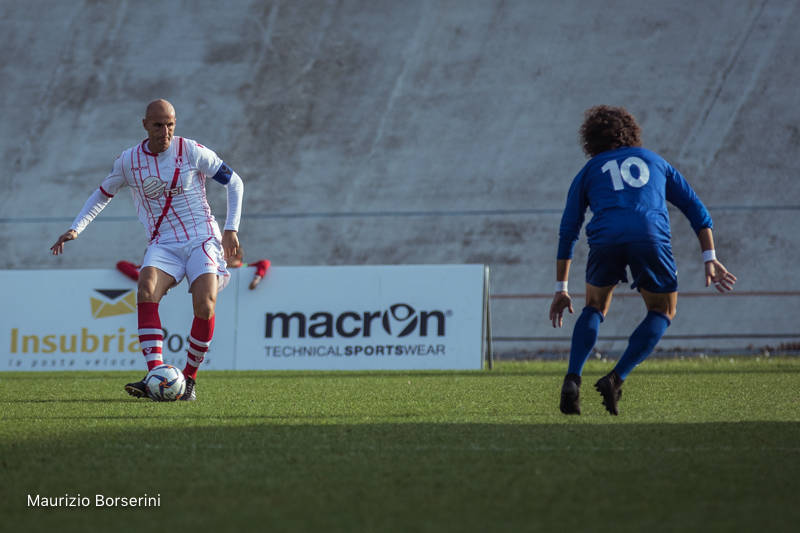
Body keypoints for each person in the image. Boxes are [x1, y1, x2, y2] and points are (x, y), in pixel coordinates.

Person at [50, 99, 244, 401]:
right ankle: (155, 374)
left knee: (205, 305)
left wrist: (231, 228)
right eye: (158, 125)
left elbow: (234, 182)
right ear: (145, 125)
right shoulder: (128, 161)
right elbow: (102, 194)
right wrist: (77, 227)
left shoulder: (191, 151)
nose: (165, 131)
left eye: (170, 124)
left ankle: (188, 380)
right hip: (164, 242)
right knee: (146, 288)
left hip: (201, 237)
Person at [549, 105, 736, 416]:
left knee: (595, 306)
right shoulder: (655, 162)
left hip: (606, 236)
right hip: (649, 235)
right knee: (663, 309)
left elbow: (568, 230)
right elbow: (696, 210)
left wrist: (561, 288)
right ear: (632, 133)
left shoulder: (589, 170)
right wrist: (710, 256)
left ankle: (572, 378)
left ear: (590, 140)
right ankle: (616, 378)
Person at [116, 250, 269, 290]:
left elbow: (265, 262)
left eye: (227, 255)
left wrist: (257, 277)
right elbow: (121, 264)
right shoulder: (144, 269)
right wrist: (142, 278)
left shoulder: (246, 268)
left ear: (238, 256)